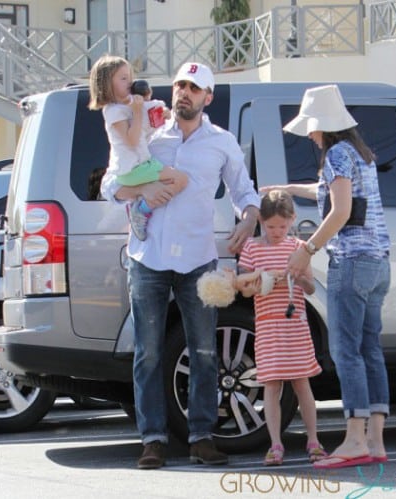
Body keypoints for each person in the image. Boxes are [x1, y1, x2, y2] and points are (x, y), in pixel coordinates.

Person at [101, 61, 260, 469]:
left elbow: (244, 189)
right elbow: (110, 184)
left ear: (208, 97)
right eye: (179, 85)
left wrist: (249, 218)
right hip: (147, 258)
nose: (183, 92)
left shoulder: (222, 141)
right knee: (148, 353)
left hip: (198, 259)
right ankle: (153, 439)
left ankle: (201, 437)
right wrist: (145, 186)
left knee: (206, 351)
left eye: (193, 87)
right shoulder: (147, 133)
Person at [261, 84, 391, 470]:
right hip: (379, 262)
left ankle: (353, 440)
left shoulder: (335, 154)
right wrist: (287, 188)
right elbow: (327, 191)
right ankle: (375, 439)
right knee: (370, 350)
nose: (311, 136)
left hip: (350, 261)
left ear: (323, 127)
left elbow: (339, 210)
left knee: (346, 352)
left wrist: (307, 249)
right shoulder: (360, 154)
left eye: (312, 129)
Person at [235, 189, 327, 466]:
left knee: (302, 383)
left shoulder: (298, 248)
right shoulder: (252, 248)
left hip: (294, 325)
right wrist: (262, 278)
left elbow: (311, 288)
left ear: (292, 221)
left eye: (282, 227)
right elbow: (244, 288)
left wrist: (298, 279)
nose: (276, 232)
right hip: (267, 326)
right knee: (271, 386)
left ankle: (313, 439)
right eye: (271, 226)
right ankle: (275, 443)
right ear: (261, 221)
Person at [89, 55, 188, 241]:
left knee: (173, 182)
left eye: (130, 77)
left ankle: (144, 203)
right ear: (106, 84)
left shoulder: (128, 107)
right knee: (180, 180)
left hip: (142, 164)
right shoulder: (113, 111)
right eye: (123, 78)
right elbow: (132, 140)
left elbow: (147, 129)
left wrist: (162, 115)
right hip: (133, 168)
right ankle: (141, 210)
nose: (129, 83)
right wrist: (136, 111)